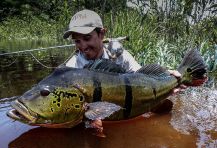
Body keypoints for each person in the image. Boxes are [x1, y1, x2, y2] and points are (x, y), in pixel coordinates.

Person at [63, 9, 184, 137]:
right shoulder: (72, 67)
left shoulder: (121, 57)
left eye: (87, 38)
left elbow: (142, 79)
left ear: (102, 34)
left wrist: (166, 78)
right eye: (77, 41)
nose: (83, 46)